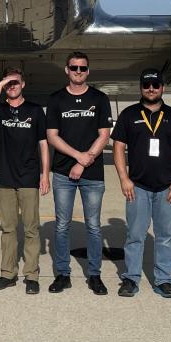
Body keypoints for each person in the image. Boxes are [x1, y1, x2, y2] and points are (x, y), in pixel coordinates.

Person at [111, 68, 171, 298]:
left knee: (165, 237)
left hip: (168, 188)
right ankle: (131, 278)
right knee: (135, 235)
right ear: (141, 88)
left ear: (163, 88)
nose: (151, 89)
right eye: (147, 85)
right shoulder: (128, 115)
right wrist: (124, 179)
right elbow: (118, 147)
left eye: (156, 85)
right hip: (138, 187)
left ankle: (164, 280)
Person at [45, 51, 113, 295]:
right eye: (74, 68)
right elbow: (52, 136)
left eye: (83, 68)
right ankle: (63, 274)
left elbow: (104, 134)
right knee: (62, 226)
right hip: (63, 173)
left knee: (93, 226)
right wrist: (77, 157)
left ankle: (94, 274)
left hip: (92, 175)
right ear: (66, 70)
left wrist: (84, 162)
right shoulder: (55, 100)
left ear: (88, 71)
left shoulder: (99, 98)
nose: (78, 72)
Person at [0, 68, 50, 295]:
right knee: (8, 229)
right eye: (8, 84)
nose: (12, 86)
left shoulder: (35, 111)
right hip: (5, 177)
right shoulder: (1, 110)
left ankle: (31, 275)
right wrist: (0, 85)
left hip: (29, 177)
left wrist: (45, 174)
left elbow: (43, 144)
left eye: (15, 83)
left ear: (23, 85)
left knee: (31, 228)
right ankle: (7, 273)